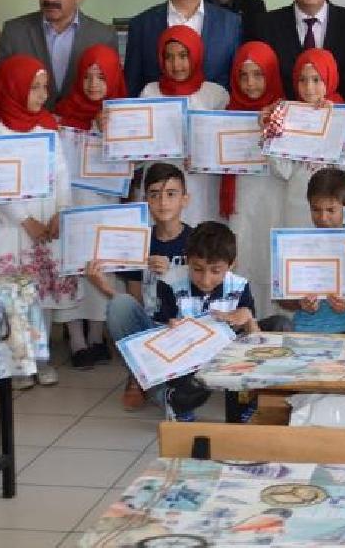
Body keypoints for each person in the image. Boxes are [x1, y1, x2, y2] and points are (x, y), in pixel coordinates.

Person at [97, 213, 256, 421]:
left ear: (232, 264)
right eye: (197, 269)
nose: (206, 279)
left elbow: (254, 334)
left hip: (224, 357)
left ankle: (245, 406)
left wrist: (247, 318)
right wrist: (170, 326)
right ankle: (174, 401)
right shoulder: (170, 282)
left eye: (216, 271)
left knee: (277, 326)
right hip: (186, 359)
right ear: (187, 261)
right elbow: (162, 330)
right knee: (190, 384)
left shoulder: (240, 286)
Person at [0, 54, 75, 388]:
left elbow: (61, 172)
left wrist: (60, 211)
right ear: (13, 87)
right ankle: (16, 362)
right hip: (12, 226)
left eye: (44, 87)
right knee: (13, 295)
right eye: (34, 87)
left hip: (46, 222)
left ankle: (40, 356)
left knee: (41, 293)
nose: (42, 95)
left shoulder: (47, 124)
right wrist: (25, 220)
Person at [89, 162, 196, 410]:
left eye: (171, 194)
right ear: (146, 201)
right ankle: (145, 378)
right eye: (154, 195)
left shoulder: (197, 241)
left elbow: (206, 298)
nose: (163, 202)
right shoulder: (138, 242)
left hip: (185, 330)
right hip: (152, 330)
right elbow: (134, 302)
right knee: (119, 304)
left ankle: (154, 383)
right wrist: (104, 287)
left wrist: (174, 273)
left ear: (185, 199)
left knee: (183, 390)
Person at [54, 43, 130, 369]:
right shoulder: (62, 115)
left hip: (106, 205)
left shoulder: (124, 115)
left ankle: (98, 336)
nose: (93, 84)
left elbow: (134, 162)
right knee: (74, 268)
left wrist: (108, 131)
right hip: (73, 205)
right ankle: (76, 339)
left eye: (102, 77)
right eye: (87, 76)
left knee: (104, 266)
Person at [0, 0, 116, 110]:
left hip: (85, 122)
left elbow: (111, 91)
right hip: (29, 122)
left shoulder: (103, 36)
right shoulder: (14, 32)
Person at [139, 25, 230, 227]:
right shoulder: (150, 92)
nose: (176, 64)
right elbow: (137, 143)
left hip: (202, 185)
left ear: (195, 55)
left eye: (183, 56)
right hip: (160, 185)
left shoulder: (215, 94)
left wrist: (208, 157)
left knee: (200, 236)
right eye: (169, 57)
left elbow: (228, 146)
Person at [218, 41, 285, 310]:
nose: (250, 83)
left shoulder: (285, 112)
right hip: (242, 200)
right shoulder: (228, 111)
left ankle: (275, 318)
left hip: (274, 194)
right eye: (243, 76)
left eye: (258, 74)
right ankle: (244, 316)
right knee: (243, 253)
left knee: (271, 256)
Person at [123, 0, 241, 95]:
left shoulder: (231, 24)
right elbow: (132, 87)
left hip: (216, 109)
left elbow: (236, 83)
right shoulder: (141, 25)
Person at [274, 167, 345, 334]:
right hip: (303, 331)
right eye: (316, 210)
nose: (322, 218)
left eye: (330, 210)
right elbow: (280, 298)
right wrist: (300, 303)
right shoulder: (295, 244)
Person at [266, 49, 345, 236]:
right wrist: (273, 135)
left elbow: (343, 165)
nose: (308, 87)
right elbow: (283, 171)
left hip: (330, 207)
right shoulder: (287, 115)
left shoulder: (341, 113)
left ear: (329, 79)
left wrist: (334, 121)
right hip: (297, 203)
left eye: (316, 79)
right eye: (302, 80)